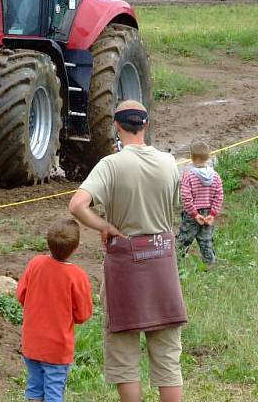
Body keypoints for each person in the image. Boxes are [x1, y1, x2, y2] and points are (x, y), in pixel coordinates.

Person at [69, 100, 186, 402]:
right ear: (146, 125)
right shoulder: (169, 162)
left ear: (117, 127)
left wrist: (104, 226)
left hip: (124, 264)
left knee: (124, 357)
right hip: (162, 261)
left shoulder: (111, 164)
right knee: (168, 358)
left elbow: (77, 205)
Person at [16, 218, 93, 402]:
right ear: (76, 247)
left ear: (48, 242)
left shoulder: (35, 263)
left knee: (34, 387)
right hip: (57, 347)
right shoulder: (77, 276)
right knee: (54, 391)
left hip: (32, 342)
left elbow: (21, 295)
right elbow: (82, 315)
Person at [178, 141, 223, 268]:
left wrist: (194, 213)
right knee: (206, 241)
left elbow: (186, 197)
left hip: (192, 214)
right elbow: (219, 196)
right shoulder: (215, 176)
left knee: (183, 240)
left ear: (191, 157)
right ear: (208, 157)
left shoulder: (188, 176)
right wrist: (213, 214)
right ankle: (210, 266)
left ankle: (177, 267)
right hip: (208, 214)